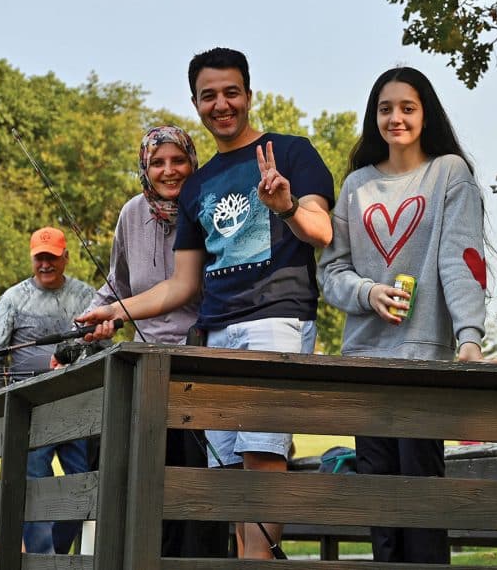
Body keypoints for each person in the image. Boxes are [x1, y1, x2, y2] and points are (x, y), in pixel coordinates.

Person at [78, 47, 334, 559]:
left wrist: (285, 206)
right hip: (215, 334)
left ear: (249, 95)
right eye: (208, 95)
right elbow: (181, 284)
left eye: (231, 92)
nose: (221, 104)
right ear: (196, 103)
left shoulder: (291, 152)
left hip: (275, 320)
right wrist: (115, 310)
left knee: (263, 458)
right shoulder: (197, 186)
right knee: (228, 475)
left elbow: (322, 230)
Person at [318, 66, 489, 563]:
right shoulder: (356, 185)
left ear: (425, 114)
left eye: (407, 108)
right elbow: (331, 271)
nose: (396, 118)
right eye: (385, 108)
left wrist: (469, 337)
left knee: (421, 493)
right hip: (366, 359)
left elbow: (462, 259)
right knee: (379, 496)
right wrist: (368, 293)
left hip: (425, 359)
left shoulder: (449, 173)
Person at [77, 124, 227, 558]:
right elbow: (117, 286)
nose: (168, 170)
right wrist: (87, 323)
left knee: (195, 488)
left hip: (199, 367)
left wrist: (116, 310)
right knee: (144, 485)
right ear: (145, 168)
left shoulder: (210, 206)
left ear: (192, 162)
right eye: (157, 162)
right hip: (144, 370)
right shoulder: (130, 215)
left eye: (178, 160)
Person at [0, 227, 96, 554]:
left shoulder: (87, 296)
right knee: (33, 485)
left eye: (53, 257)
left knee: (82, 483)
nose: (46, 264)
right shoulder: (13, 298)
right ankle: (40, 558)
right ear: (32, 259)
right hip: (30, 410)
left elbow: (104, 347)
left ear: (66, 257)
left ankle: (53, 554)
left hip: (78, 407)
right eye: (40, 258)